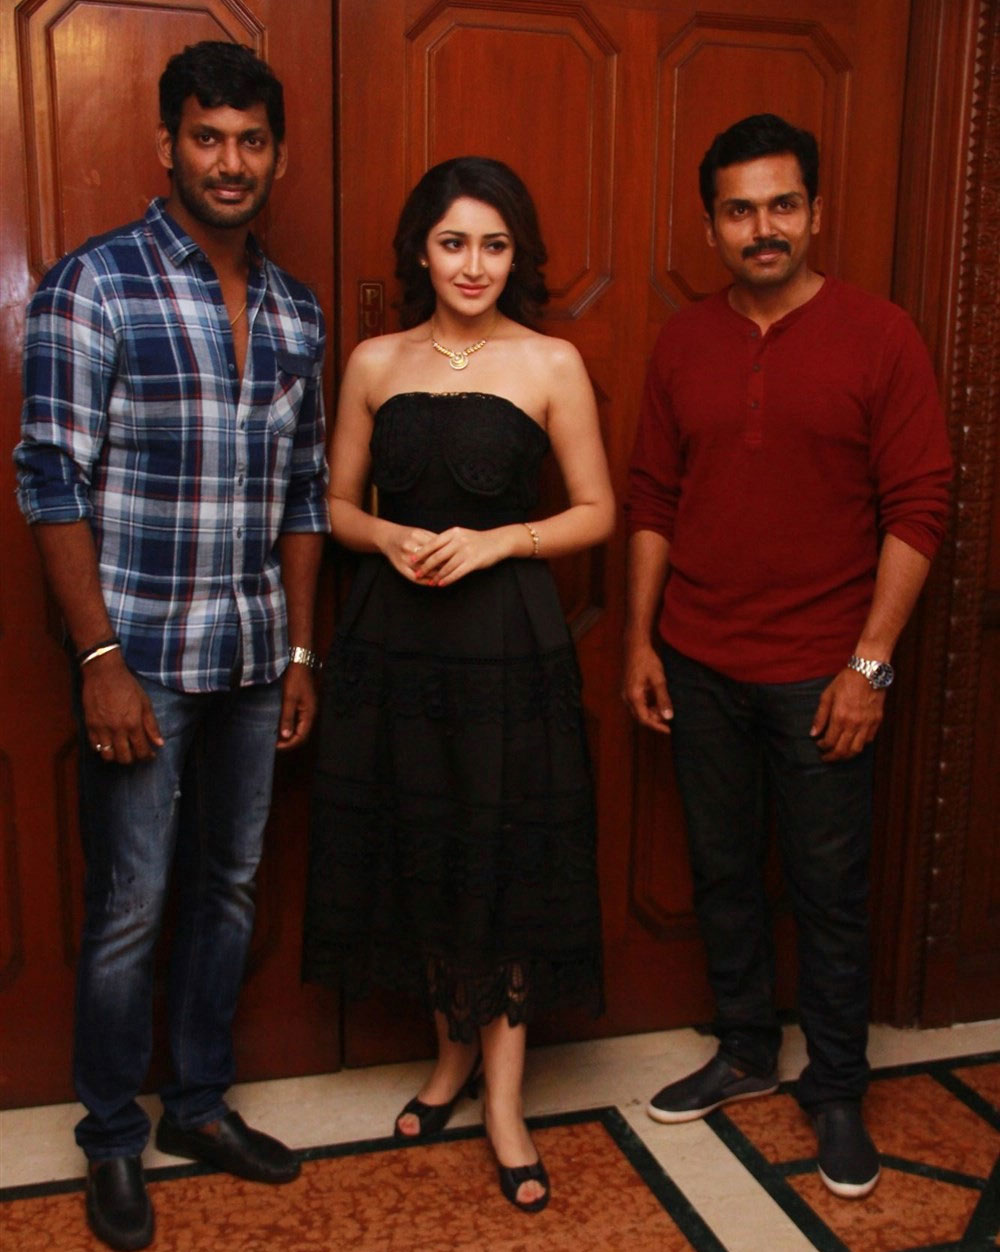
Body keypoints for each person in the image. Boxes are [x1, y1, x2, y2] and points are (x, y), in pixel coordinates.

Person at [14, 41, 328, 1251]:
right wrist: (99, 660)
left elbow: (304, 497)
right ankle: (110, 1136)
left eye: (250, 140)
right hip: (138, 661)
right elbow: (49, 479)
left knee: (229, 890)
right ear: (168, 145)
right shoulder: (92, 285)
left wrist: (300, 653)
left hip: (253, 656)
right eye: (207, 137)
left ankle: (197, 1106)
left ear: (276, 154)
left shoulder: (296, 309)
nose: (229, 162)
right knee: (131, 906)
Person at [623, 114, 951, 1200]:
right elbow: (653, 498)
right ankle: (746, 1051)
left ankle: (839, 1087)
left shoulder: (879, 335)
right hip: (698, 657)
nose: (761, 228)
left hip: (823, 670)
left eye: (781, 205)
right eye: (739, 210)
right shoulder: (684, 342)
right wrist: (639, 638)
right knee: (722, 870)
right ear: (710, 223)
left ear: (814, 211)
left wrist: (870, 666)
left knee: (828, 888)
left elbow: (919, 506)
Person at [303, 156, 613, 1213]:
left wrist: (497, 542)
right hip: (395, 645)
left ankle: (505, 1104)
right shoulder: (374, 360)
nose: (472, 264)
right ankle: (448, 1064)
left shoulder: (551, 361)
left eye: (493, 244)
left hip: (506, 646)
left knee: (502, 853)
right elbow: (334, 506)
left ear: (516, 255)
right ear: (421, 253)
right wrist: (386, 535)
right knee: (424, 844)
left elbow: (596, 510)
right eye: (452, 243)